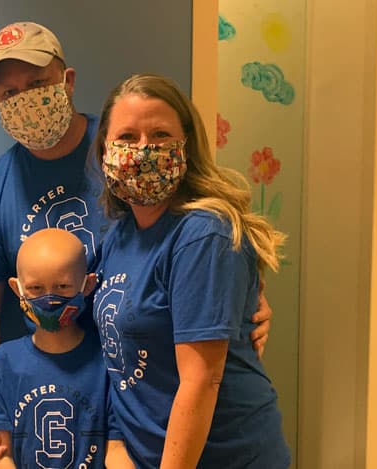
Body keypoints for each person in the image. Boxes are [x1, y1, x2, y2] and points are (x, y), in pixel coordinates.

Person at [0, 21, 273, 467]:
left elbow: (203, 359)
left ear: (67, 82)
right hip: (119, 427)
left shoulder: (197, 225)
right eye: (9, 92)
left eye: (36, 83)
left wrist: (245, 296)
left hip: (213, 448)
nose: (142, 151)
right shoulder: (112, 226)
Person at [91, 73, 291, 468]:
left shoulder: (205, 234)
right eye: (127, 137)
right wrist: (116, 445)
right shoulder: (119, 237)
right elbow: (118, 357)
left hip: (226, 456)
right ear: (105, 151)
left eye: (161, 135)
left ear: (187, 147)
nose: (144, 149)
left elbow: (201, 381)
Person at [0, 228, 132, 469]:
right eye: (35, 288)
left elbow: (116, 450)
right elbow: (2, 455)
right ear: (17, 288)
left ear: (87, 285)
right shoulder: (3, 362)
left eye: (63, 286)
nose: (49, 299)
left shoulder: (108, 359)